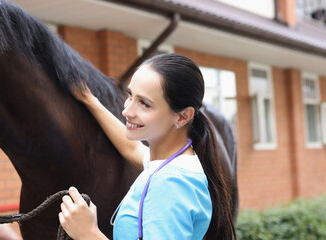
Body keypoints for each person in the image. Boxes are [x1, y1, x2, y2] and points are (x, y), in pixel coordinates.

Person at [58, 53, 234, 239]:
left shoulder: (171, 185)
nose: (126, 110)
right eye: (130, 95)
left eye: (144, 104)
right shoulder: (171, 161)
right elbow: (132, 149)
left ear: (182, 117)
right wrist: (89, 100)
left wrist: (87, 233)